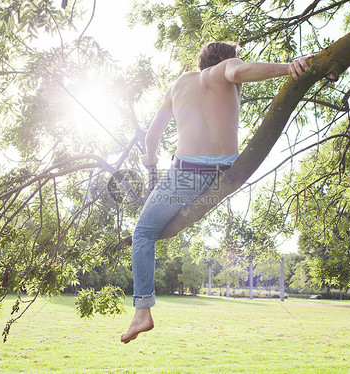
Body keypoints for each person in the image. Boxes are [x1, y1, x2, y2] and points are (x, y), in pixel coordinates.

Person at [120, 42, 313, 344]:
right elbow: (240, 69)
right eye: (234, 58)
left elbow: (153, 134)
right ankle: (142, 313)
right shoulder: (227, 67)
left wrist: (149, 158)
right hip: (231, 170)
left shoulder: (179, 84)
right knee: (148, 232)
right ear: (225, 58)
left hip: (189, 173)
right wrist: (288, 68)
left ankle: (142, 311)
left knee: (143, 233)